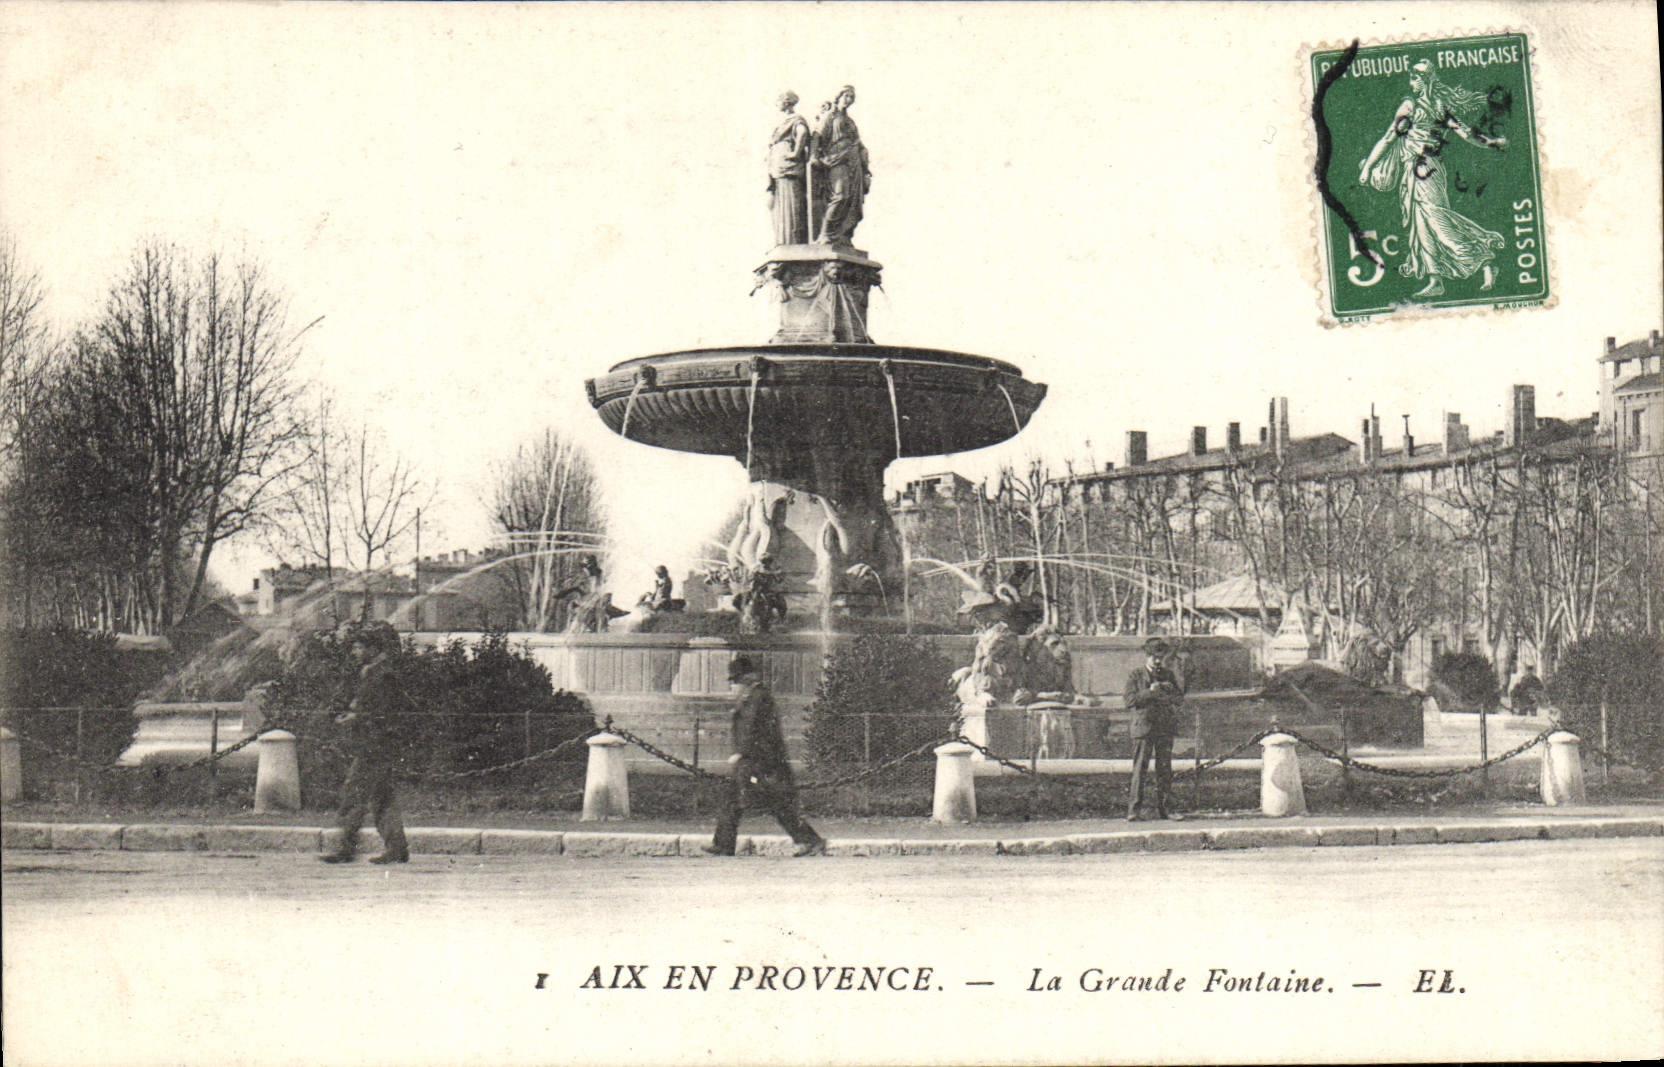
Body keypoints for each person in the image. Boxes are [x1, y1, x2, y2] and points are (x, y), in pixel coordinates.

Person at [1358, 60, 1507, 298]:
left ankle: (1485, 260)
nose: (1411, 82)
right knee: (1421, 225)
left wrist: (1491, 143)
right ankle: (1435, 279)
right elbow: (1389, 137)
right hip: (1412, 170)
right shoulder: (1411, 106)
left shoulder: (1436, 108)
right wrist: (1369, 166)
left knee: (1437, 220)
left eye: (1415, 78)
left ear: (1426, 80)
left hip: (1428, 170)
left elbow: (1466, 134)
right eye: (1410, 78)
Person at [705, 655, 826, 857]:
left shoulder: (758, 697)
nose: (734, 684)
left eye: (737, 679)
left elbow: (753, 729)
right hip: (752, 760)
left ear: (748, 677)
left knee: (774, 803)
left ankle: (811, 840)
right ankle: (723, 844)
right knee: (735, 799)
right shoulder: (752, 696)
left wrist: (741, 752)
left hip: (759, 761)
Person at [319, 627, 410, 864]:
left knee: (354, 792)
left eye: (359, 647)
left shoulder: (383, 675)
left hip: (377, 744)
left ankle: (346, 848)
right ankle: (396, 848)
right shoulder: (372, 672)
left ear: (373, 649)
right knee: (381, 796)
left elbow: (384, 711)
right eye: (354, 647)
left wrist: (356, 717)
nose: (354, 652)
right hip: (375, 743)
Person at [1124, 637, 1184, 821]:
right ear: (1147, 656)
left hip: (1164, 728)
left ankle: (1167, 810)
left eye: (1160, 657)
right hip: (1143, 729)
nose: (1157, 661)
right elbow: (1129, 701)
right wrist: (1150, 691)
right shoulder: (1135, 675)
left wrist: (1168, 691)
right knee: (1139, 770)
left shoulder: (1168, 675)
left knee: (1165, 770)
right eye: (1154, 657)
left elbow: (1179, 699)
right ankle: (1134, 811)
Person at [811, 85, 870, 246]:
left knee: (852, 201)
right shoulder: (830, 116)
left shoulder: (850, 121)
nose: (849, 100)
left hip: (854, 161)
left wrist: (866, 170)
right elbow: (817, 135)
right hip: (836, 159)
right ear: (839, 96)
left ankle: (842, 235)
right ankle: (825, 233)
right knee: (840, 195)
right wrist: (814, 156)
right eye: (846, 96)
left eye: (852, 97)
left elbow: (858, 142)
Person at [767, 91, 810, 245]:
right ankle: (783, 240)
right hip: (778, 166)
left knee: (790, 199)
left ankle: (791, 241)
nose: (777, 103)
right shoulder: (783, 121)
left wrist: (796, 153)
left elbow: (802, 132)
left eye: (779, 100)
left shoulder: (796, 119)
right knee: (777, 203)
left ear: (786, 102)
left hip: (788, 166)